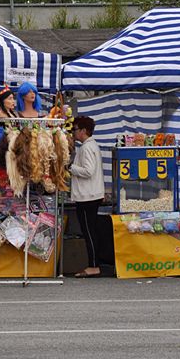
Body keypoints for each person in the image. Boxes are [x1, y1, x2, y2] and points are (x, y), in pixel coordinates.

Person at [68, 116, 104, 278]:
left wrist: (70, 167)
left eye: (75, 129)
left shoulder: (87, 148)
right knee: (91, 231)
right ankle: (94, 264)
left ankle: (94, 265)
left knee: (89, 232)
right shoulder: (90, 146)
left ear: (83, 131)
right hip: (90, 194)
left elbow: (88, 171)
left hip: (87, 196)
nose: (73, 133)